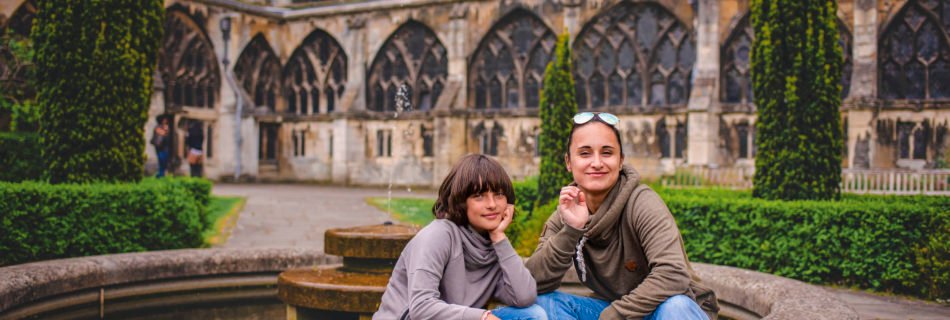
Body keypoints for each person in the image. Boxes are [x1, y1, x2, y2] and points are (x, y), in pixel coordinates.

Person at [524, 112, 718, 320]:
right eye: (585, 153)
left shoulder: (642, 202)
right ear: (569, 162)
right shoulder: (566, 212)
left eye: (607, 153)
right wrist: (571, 231)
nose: (597, 163)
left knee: (676, 307)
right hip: (613, 308)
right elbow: (532, 284)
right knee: (540, 304)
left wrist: (614, 315)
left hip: (664, 309)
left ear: (620, 160)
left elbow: (672, 274)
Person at [374, 154, 546, 320]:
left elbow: (525, 297)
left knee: (534, 314)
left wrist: (499, 238)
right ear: (460, 201)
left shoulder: (493, 245)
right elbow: (421, 307)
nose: (492, 205)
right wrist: (482, 316)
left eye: (499, 195)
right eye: (479, 196)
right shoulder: (438, 236)